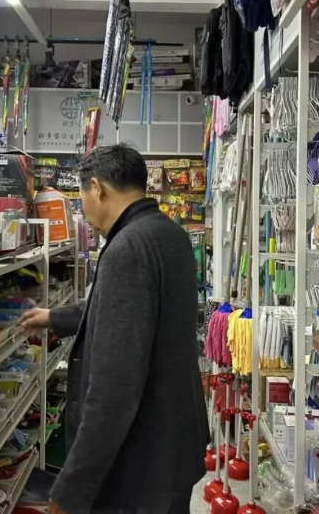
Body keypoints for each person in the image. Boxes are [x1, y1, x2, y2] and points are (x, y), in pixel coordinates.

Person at [19, 144, 209, 513]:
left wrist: (72, 488)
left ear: (97, 188)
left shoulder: (127, 248)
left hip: (141, 460)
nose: (84, 211)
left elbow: (114, 386)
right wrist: (54, 317)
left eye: (81, 198)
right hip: (174, 443)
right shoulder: (170, 234)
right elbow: (130, 313)